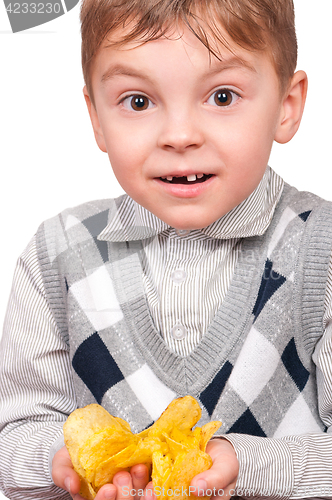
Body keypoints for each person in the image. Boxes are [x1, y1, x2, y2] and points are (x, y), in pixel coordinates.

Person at [1, 0, 332, 499]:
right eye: (138, 101)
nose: (179, 136)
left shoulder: (320, 250)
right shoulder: (56, 258)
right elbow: (15, 435)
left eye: (222, 96)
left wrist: (245, 464)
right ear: (95, 117)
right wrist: (64, 462)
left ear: (287, 105)